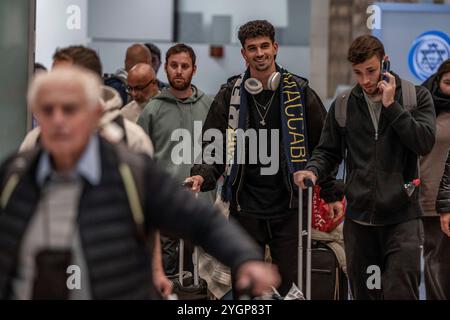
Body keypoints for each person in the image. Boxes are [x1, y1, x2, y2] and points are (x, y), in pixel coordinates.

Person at [0, 66, 280, 300]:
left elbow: (199, 219)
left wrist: (244, 258)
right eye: (48, 110)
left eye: (70, 109)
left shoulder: (129, 173)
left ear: (92, 115)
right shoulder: (15, 176)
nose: (58, 119)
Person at [185, 20, 342, 296]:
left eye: (264, 46)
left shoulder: (301, 92)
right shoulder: (229, 96)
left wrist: (329, 193)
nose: (259, 53)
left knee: (290, 290)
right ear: (244, 54)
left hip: (290, 209)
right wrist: (201, 175)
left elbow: (324, 147)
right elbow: (214, 150)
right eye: (252, 48)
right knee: (246, 291)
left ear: (275, 48)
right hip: (244, 209)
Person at [18, 46, 173, 297]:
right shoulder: (36, 142)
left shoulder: (130, 139)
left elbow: (148, 214)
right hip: (51, 272)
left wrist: (156, 270)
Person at [294, 35, 436, 299]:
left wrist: (392, 107)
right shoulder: (344, 104)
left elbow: (424, 143)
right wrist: (312, 169)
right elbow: (327, 151)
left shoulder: (416, 97)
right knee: (366, 294)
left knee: (400, 293)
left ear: (385, 62)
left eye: (371, 71)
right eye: (358, 73)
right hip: (360, 224)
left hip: (402, 219)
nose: (365, 80)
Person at [138, 43, 217, 278]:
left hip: (202, 208)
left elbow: (220, 155)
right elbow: (139, 162)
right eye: (174, 66)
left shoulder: (210, 107)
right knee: (168, 282)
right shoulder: (152, 110)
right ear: (165, 68)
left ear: (195, 69)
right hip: (165, 212)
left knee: (202, 283)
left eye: (185, 66)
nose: (179, 71)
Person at [420, 58, 450, 300]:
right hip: (431, 200)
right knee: (437, 263)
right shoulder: (425, 111)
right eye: (448, 82)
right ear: (438, 81)